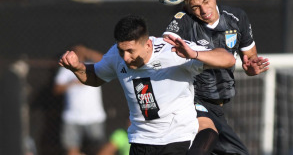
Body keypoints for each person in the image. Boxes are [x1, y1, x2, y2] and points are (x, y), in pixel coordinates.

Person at [59, 14, 236, 155]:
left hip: (176, 138)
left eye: (131, 51)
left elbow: (227, 58)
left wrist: (195, 54)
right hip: (140, 141)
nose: (126, 58)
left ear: (148, 45)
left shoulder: (174, 52)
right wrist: (78, 68)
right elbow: (95, 77)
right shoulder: (116, 55)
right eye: (122, 50)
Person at [163, 0, 270, 155]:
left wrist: (252, 68)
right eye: (195, 7)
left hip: (218, 105)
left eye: (206, 1)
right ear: (187, 8)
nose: (204, 11)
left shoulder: (237, 18)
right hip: (192, 100)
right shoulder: (184, 21)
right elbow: (165, 45)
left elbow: (250, 57)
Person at [54, 44, 107, 155]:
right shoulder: (66, 69)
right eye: (76, 51)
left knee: (100, 148)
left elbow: (106, 61)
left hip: (94, 116)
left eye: (80, 51)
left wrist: (87, 51)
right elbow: (57, 89)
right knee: (72, 148)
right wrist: (73, 82)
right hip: (72, 117)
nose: (78, 54)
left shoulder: (92, 66)